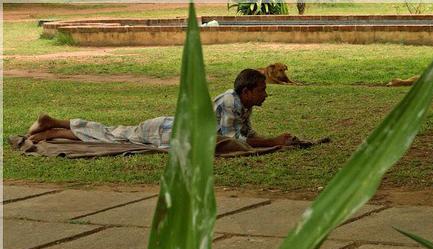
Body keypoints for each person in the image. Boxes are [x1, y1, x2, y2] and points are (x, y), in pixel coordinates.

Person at [26, 69, 294, 148]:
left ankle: (55, 126)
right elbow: (236, 141)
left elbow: (246, 134)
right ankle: (54, 130)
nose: (266, 94)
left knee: (114, 133)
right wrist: (274, 141)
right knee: (113, 135)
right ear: (247, 91)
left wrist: (275, 141)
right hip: (165, 132)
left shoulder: (241, 103)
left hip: (170, 126)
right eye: (262, 90)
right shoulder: (231, 103)